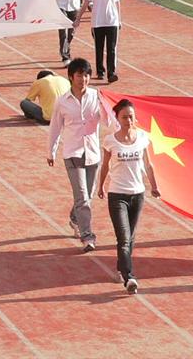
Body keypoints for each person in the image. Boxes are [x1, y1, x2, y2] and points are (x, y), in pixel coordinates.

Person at [47, 57, 113, 252]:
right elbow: (55, 128)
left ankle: (75, 218)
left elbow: (107, 121)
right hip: (72, 153)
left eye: (86, 75)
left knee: (87, 195)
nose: (83, 79)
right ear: (71, 77)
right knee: (83, 196)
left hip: (92, 153)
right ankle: (87, 236)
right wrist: (51, 151)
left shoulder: (96, 96)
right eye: (79, 75)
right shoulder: (62, 102)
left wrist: (106, 108)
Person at [96, 99, 161, 294]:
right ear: (117, 118)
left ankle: (121, 267)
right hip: (117, 195)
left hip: (137, 194)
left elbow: (148, 164)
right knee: (123, 237)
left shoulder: (142, 137)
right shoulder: (110, 141)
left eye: (131, 116)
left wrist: (154, 186)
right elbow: (105, 165)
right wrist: (100, 186)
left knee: (130, 237)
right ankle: (129, 277)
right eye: (124, 117)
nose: (128, 121)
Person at [76, 0, 121, 83]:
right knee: (99, 47)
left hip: (112, 21)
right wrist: (78, 18)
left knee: (112, 48)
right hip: (98, 22)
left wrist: (119, 19)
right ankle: (100, 71)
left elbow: (117, 2)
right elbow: (86, 2)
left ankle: (111, 72)